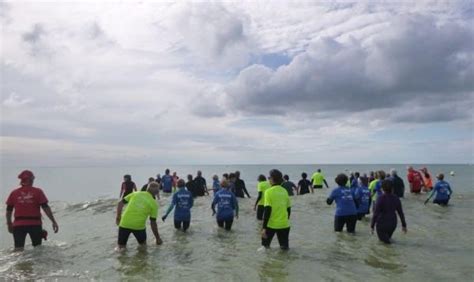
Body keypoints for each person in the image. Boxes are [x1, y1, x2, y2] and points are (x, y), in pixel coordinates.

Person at [5, 170, 59, 251]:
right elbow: (45, 207)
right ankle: (35, 264)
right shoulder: (38, 192)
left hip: (18, 225)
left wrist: (9, 224)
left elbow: (9, 210)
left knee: (18, 250)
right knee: (37, 249)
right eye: (33, 179)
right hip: (35, 225)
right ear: (30, 179)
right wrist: (53, 221)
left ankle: (20, 263)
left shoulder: (14, 193)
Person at [116, 182, 162, 249]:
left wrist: (118, 217)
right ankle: (141, 259)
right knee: (143, 247)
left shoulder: (136, 194)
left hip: (124, 224)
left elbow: (120, 203)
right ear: (157, 193)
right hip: (139, 227)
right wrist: (157, 238)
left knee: (121, 248)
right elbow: (153, 223)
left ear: (147, 189)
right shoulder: (154, 204)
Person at [261, 169, 291, 250]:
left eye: (269, 177)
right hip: (284, 224)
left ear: (273, 179)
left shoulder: (268, 192)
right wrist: (285, 220)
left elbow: (267, 210)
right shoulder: (284, 191)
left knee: (265, 248)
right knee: (284, 249)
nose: (268, 179)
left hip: (271, 224)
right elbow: (288, 209)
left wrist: (264, 228)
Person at [371, 180, 407, 244]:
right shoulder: (396, 198)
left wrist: (372, 226)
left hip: (382, 224)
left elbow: (376, 213)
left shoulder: (380, 198)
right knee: (387, 239)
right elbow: (400, 213)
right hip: (392, 224)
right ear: (392, 188)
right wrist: (404, 225)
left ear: (382, 188)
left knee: (385, 243)